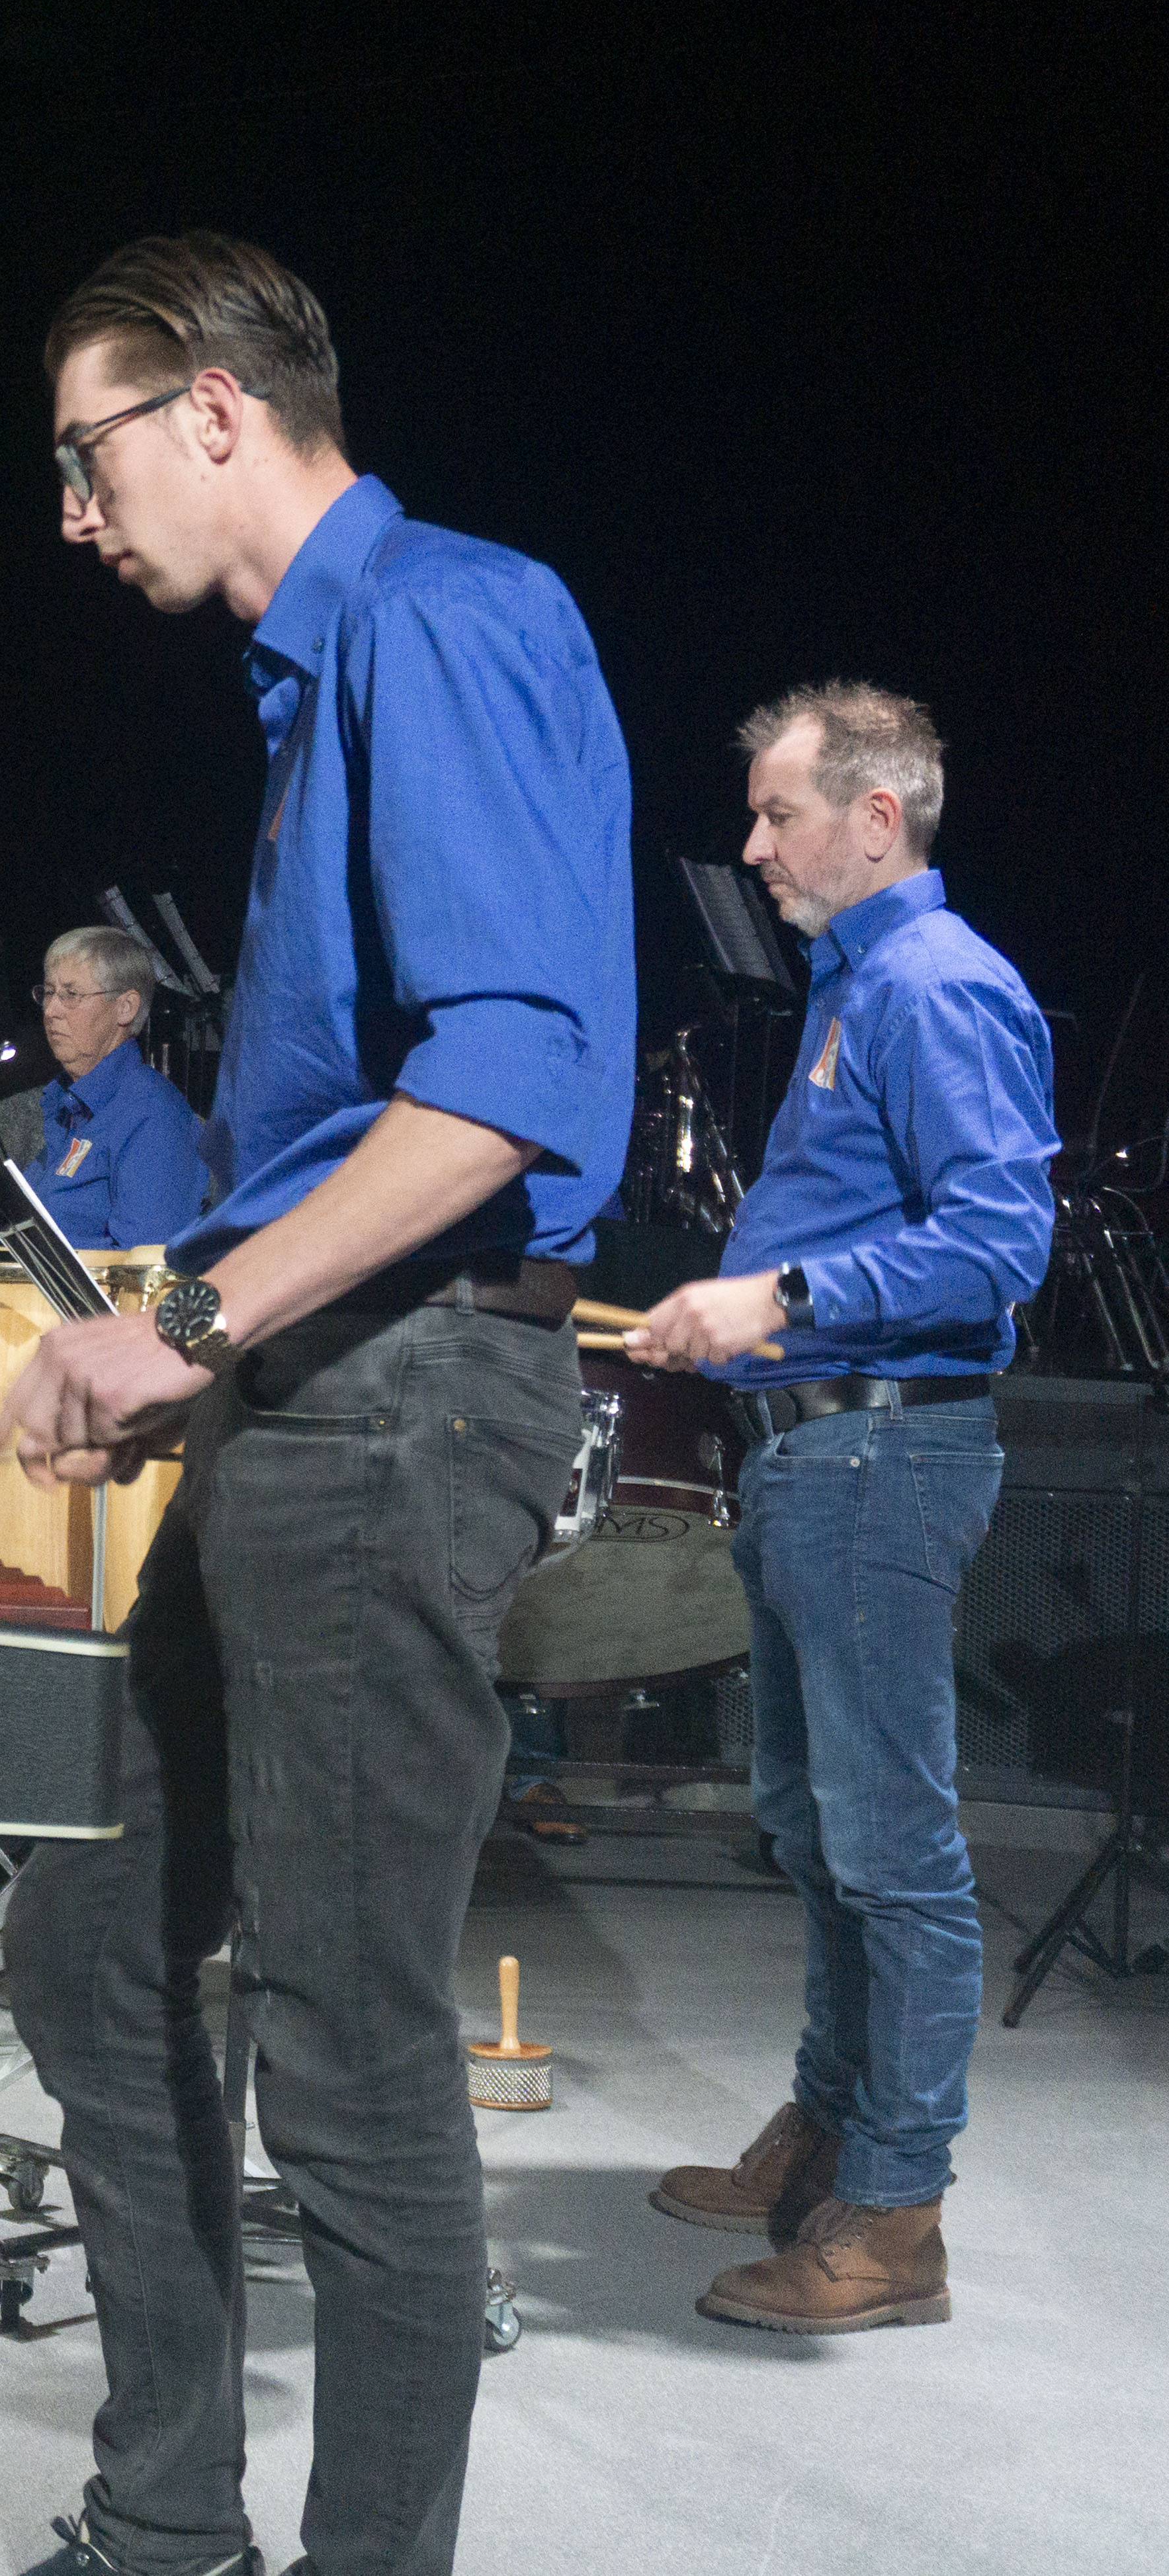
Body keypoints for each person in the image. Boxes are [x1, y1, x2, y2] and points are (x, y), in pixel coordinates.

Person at [0, 233, 634, 2576]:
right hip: (320, 1394)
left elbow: (509, 1083)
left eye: (88, 453)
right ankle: (171, 2519)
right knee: (88, 1944)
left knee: (351, 2047)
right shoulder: (318, 686)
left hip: (403, 1404)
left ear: (213, 407)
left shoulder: (445, 617)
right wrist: (217, 1344)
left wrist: (189, 1323)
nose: (74, 512)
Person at [627, 683, 1056, 2333]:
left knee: (890, 1848)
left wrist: (785, 1293)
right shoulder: (854, 985)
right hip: (814, 1451)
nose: (751, 845)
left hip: (880, 1455)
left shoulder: (935, 982)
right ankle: (826, 2131)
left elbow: (995, 1245)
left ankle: (893, 2210)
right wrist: (741, 1316)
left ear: (875, 819)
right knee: (816, 1834)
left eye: (777, 812)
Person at [34, 925, 209, 1248]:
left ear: (125, 1007)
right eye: (48, 992)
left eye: (71, 995)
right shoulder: (63, 1103)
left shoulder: (152, 1113)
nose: (51, 1011)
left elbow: (147, 1263)